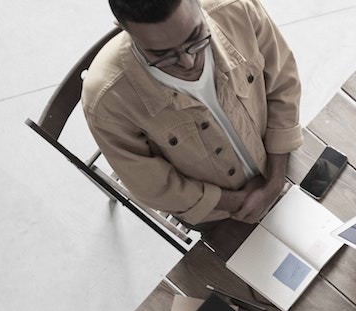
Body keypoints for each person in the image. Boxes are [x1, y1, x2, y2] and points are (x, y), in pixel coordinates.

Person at [83, 0, 302, 225]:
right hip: (218, 215)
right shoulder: (106, 101)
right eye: (163, 55)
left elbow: (283, 83)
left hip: (281, 161)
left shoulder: (236, 8)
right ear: (122, 27)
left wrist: (274, 182)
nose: (188, 62)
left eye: (196, 37)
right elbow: (153, 186)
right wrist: (239, 202)